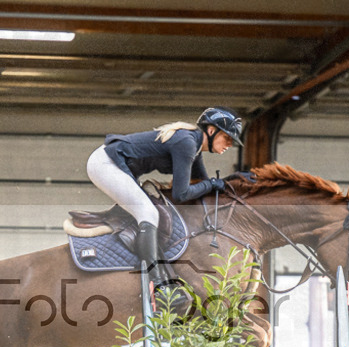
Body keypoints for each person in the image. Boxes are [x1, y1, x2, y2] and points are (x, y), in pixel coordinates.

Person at [86, 107, 243, 302]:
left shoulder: (193, 148)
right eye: (227, 137)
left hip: (114, 164)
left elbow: (203, 186)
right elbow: (182, 193)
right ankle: (159, 285)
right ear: (211, 131)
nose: (230, 144)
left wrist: (232, 182)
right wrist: (211, 184)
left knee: (149, 212)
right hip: (105, 164)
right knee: (148, 213)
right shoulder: (186, 143)